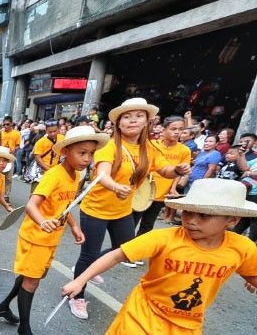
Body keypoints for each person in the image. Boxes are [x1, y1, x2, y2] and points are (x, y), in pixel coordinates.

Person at [62, 178, 257, 335]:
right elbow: (116, 254)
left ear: (231, 220)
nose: (191, 220)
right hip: (147, 309)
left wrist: (252, 282)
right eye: (187, 211)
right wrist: (80, 279)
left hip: (188, 321)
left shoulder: (242, 248)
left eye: (203, 215)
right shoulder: (165, 237)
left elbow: (252, 273)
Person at [69, 98, 189, 319]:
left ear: (146, 121)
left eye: (139, 115)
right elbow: (102, 174)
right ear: (118, 122)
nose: (133, 120)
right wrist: (115, 186)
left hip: (123, 210)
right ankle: (77, 296)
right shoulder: (108, 145)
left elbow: (164, 170)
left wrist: (178, 170)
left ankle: (92, 268)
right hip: (96, 209)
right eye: (127, 116)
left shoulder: (150, 148)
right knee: (89, 254)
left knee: (125, 251)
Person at [0, 126, 108, 335]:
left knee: (31, 276)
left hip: (50, 237)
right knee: (31, 282)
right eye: (81, 153)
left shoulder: (75, 175)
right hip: (36, 237)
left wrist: (74, 226)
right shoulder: (54, 175)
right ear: (66, 151)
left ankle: (3, 306)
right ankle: (24, 331)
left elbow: (66, 207)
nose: (87, 159)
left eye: (91, 154)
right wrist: (43, 221)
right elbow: (31, 205)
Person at [132, 116, 191, 237]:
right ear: (164, 130)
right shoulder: (152, 145)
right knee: (131, 222)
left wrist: (173, 187)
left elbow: (178, 172)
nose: (177, 132)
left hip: (161, 192)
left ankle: (137, 249)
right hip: (143, 189)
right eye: (173, 128)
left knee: (147, 224)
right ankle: (121, 248)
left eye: (180, 129)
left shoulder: (185, 150)